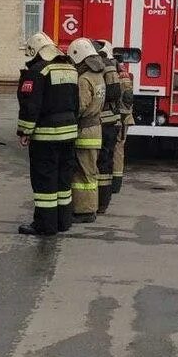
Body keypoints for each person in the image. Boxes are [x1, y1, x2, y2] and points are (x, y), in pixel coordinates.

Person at [16, 32, 79, 236]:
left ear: (35, 51)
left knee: (45, 181)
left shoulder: (38, 71)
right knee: (63, 179)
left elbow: (30, 106)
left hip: (46, 137)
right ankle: (63, 221)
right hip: (69, 134)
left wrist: (25, 131)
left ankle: (45, 225)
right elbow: (76, 104)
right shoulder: (70, 68)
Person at [68, 38, 106, 224]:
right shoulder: (98, 76)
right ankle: (90, 208)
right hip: (96, 129)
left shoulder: (84, 79)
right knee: (91, 171)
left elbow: (80, 106)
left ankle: (84, 211)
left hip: (84, 131)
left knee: (82, 172)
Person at [94, 41, 121, 214]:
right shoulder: (111, 67)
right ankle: (103, 201)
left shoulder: (105, 67)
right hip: (110, 122)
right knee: (106, 162)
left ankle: (101, 202)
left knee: (102, 163)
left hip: (104, 122)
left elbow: (112, 94)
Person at [113, 58, 135, 194]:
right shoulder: (125, 78)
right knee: (118, 150)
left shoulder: (118, 78)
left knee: (117, 150)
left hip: (119, 120)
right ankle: (116, 182)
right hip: (124, 119)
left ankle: (115, 183)